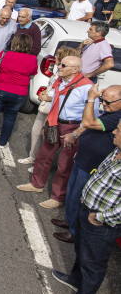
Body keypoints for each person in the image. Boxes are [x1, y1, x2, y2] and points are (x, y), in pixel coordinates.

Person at [51, 115, 121, 294]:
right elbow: (100, 175)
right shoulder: (116, 150)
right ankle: (74, 279)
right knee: (81, 251)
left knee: (93, 265)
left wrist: (100, 217)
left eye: (119, 130)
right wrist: (85, 196)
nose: (114, 131)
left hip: (101, 222)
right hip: (87, 208)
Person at [17, 56, 95, 208]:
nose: (58, 66)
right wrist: (48, 119)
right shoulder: (60, 81)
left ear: (75, 69)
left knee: (64, 164)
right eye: (59, 64)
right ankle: (36, 184)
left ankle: (57, 197)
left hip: (72, 127)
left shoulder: (86, 87)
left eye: (63, 65)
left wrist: (76, 134)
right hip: (54, 122)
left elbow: (93, 116)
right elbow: (58, 102)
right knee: (43, 156)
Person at [52, 85, 121, 244]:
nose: (103, 104)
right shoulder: (111, 111)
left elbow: (88, 121)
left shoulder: (117, 117)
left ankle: (75, 233)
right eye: (102, 100)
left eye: (107, 102)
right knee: (71, 193)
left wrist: (91, 99)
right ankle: (70, 221)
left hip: (92, 165)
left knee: (78, 197)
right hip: (84, 158)